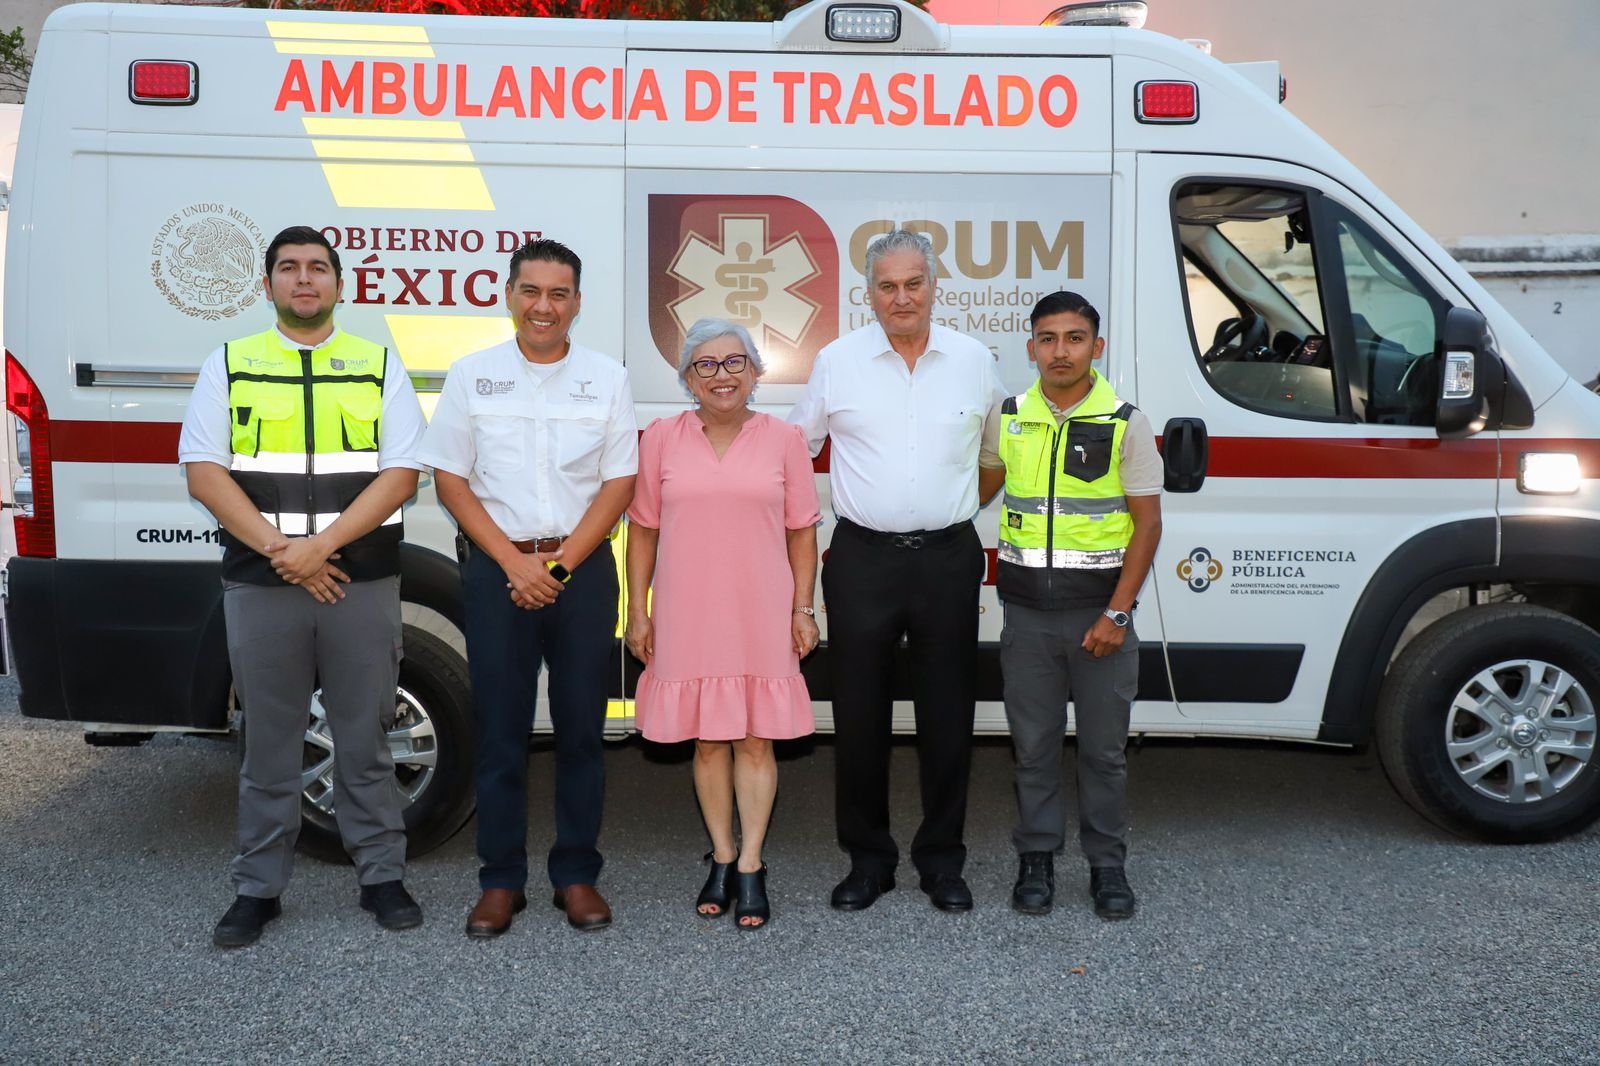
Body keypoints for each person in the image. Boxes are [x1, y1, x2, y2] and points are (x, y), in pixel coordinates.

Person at [179, 225, 428, 948]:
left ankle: (382, 878)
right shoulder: (230, 363)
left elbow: (402, 473)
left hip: (360, 580)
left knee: (366, 740)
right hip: (263, 583)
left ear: (339, 285)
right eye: (288, 268)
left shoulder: (377, 364)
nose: (304, 279)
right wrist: (285, 552)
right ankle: (257, 889)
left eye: (318, 268)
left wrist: (320, 548)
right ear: (268, 286)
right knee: (269, 744)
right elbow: (204, 470)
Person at [417, 239, 637, 938]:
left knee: (581, 731)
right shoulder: (471, 375)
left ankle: (576, 875)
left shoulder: (607, 378)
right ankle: (500, 881)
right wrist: (514, 564)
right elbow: (450, 479)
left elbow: (619, 482)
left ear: (577, 302)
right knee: (501, 732)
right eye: (532, 291)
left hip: (582, 571)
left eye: (560, 293)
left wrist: (561, 566)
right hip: (497, 571)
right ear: (508, 295)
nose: (545, 307)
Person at [788, 230, 1001, 913]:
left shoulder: (974, 360)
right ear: (868, 292)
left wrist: (951, 506)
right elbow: (796, 452)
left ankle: (942, 861)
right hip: (862, 561)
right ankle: (869, 861)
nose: (901, 297)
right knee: (858, 718)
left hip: (947, 558)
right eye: (887, 286)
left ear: (935, 286)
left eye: (914, 284)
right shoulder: (838, 361)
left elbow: (995, 454)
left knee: (948, 717)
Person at [624, 318, 821, 930]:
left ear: (756, 373)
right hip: (687, 607)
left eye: (735, 362)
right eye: (706, 365)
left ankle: (753, 865)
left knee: (756, 739)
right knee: (708, 740)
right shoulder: (660, 438)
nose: (722, 375)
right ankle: (723, 855)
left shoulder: (786, 439)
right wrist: (638, 609)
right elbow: (644, 531)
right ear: (687, 378)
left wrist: (803, 607)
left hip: (761, 606)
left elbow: (803, 531)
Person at [977, 291, 1163, 920]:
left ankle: (1108, 866)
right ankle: (1036, 860)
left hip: (1099, 619)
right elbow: (971, 489)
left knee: (1103, 753)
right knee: (1032, 749)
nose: (1061, 351)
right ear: (1031, 348)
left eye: (1074, 338)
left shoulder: (1125, 421)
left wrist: (1117, 614)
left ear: (1096, 347)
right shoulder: (1008, 417)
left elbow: (1147, 525)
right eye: (1048, 338)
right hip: (1026, 616)